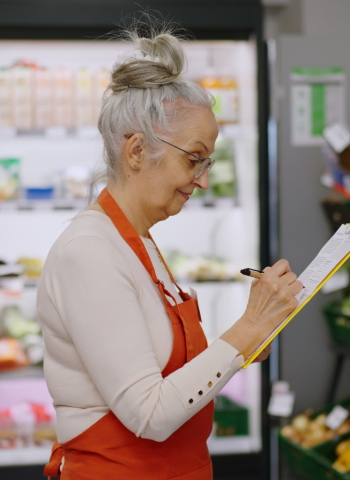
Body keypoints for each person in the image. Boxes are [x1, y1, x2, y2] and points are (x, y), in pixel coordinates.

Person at [37, 21, 303, 480]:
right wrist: (246, 330)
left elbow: (163, 371)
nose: (202, 179)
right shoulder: (89, 253)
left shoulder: (139, 242)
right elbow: (151, 414)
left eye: (208, 162)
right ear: (137, 151)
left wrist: (250, 342)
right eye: (193, 158)